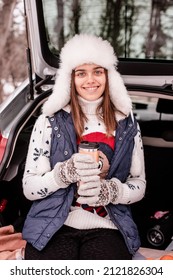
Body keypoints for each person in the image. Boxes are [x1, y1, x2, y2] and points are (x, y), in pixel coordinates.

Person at [22, 34, 146, 260]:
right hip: (53, 225)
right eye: (81, 73)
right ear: (71, 78)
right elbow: (29, 188)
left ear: (109, 76)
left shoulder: (127, 124)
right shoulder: (49, 121)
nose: (90, 80)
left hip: (108, 225)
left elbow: (139, 184)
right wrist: (62, 175)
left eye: (98, 71)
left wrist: (112, 191)